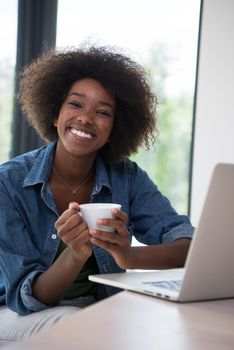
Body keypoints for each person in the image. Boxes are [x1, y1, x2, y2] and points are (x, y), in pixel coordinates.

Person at [0, 44, 194, 341]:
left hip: (96, 310)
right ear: (55, 113)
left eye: (102, 112)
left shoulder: (127, 177)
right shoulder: (8, 183)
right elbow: (29, 298)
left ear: (114, 129)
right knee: (81, 324)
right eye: (75, 105)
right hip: (15, 313)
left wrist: (127, 256)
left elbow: (187, 244)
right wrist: (75, 255)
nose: (86, 118)